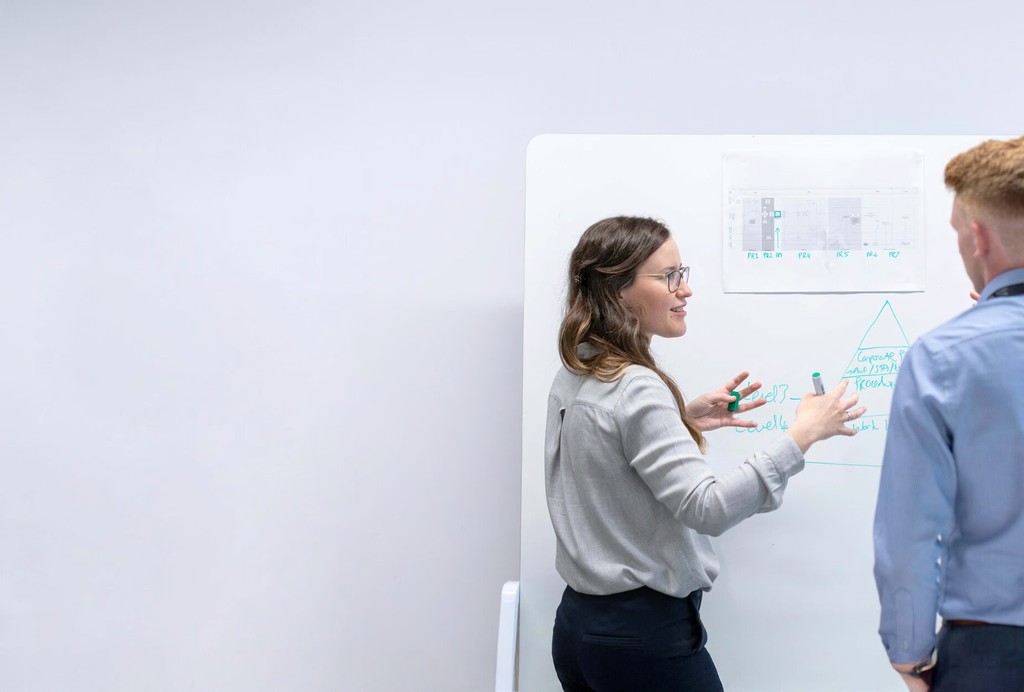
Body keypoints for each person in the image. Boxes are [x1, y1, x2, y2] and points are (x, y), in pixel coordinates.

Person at [546, 215, 864, 691]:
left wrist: (682, 419)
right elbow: (708, 507)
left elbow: (603, 459)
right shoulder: (637, 387)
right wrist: (802, 435)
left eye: (682, 273)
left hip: (579, 630)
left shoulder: (580, 365)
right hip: (642, 640)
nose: (684, 290)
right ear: (618, 290)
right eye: (667, 276)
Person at [873, 135, 1024, 691]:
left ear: (979, 239)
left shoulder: (942, 358)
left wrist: (910, 653)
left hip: (995, 654)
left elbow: (911, 531)